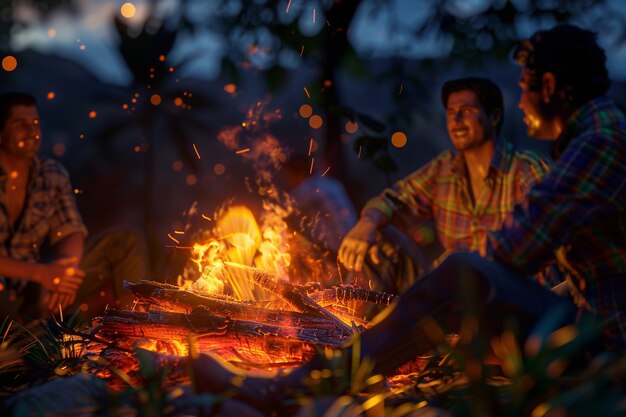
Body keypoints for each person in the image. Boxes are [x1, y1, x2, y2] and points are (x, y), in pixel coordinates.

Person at [191, 24, 626, 413]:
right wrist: (371, 228)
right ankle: (343, 377)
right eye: (450, 112)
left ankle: (298, 389)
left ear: (548, 86)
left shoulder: (597, 144)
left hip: (607, 348)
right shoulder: (596, 135)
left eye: (525, 87)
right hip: (589, 329)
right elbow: (592, 270)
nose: (523, 100)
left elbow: (516, 250)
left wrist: (451, 293)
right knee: (448, 269)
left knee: (461, 269)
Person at [338, 77, 552, 291]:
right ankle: (365, 319)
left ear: (494, 116)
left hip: (510, 296)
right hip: (452, 297)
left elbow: (547, 239)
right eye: (451, 112)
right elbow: (393, 200)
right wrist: (367, 223)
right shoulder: (443, 170)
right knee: (382, 233)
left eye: (467, 110)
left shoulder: (526, 169)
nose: (456, 119)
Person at [0, 92, 149, 323]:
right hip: (12, 288)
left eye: (35, 124)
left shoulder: (51, 174)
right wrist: (42, 273)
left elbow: (70, 229)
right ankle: (20, 347)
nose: (33, 132)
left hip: (38, 288)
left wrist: (64, 271)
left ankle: (137, 333)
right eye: (21, 125)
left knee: (125, 241)